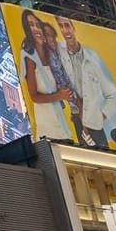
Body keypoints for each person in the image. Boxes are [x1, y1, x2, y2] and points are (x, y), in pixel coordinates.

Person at [55, 16, 116, 149]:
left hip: (94, 122)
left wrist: (101, 115)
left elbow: (112, 95)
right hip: (77, 119)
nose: (65, 30)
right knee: (86, 162)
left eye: (67, 25)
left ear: (74, 28)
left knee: (105, 159)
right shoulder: (59, 54)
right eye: (61, 26)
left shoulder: (91, 58)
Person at [19, 9, 76, 142]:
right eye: (31, 25)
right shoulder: (29, 58)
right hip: (47, 126)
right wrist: (59, 96)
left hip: (62, 122)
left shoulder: (52, 54)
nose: (36, 29)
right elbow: (34, 96)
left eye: (37, 24)